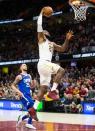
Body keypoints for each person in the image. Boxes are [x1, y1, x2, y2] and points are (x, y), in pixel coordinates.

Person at [30, 7, 73, 120]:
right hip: (44, 62)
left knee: (43, 88)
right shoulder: (41, 39)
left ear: (47, 34)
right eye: (43, 31)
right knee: (61, 70)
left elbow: (63, 49)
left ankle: (33, 109)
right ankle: (53, 90)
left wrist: (67, 39)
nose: (44, 31)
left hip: (44, 67)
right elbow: (39, 26)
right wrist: (41, 13)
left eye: (45, 31)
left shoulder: (52, 43)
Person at [11, 64, 37, 129]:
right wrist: (18, 92)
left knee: (32, 109)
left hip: (28, 95)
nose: (25, 66)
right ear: (21, 68)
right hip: (23, 95)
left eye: (26, 65)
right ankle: (29, 123)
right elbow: (12, 85)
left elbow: (31, 86)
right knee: (33, 106)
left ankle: (22, 118)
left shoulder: (29, 76)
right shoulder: (19, 76)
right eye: (23, 65)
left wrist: (34, 84)